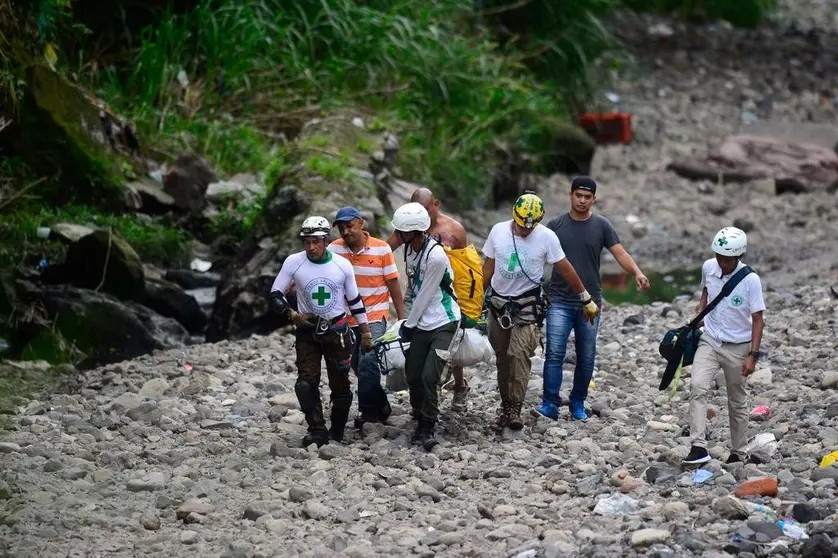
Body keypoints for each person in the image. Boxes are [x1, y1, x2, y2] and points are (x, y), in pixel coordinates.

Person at [534, 175, 651, 422]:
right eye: (579, 196)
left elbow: (619, 252)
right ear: (571, 195)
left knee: (586, 356)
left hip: (590, 302)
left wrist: (637, 272)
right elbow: (534, 251)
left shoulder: (601, 225)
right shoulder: (555, 226)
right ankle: (550, 403)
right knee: (554, 353)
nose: (582, 201)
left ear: (594, 199)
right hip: (559, 299)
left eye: (588, 197)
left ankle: (578, 403)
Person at [482, 193, 600, 430]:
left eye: (530, 228)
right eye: (521, 226)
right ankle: (505, 406)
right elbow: (487, 267)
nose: (525, 231)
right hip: (498, 304)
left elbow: (566, 269)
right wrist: (473, 302)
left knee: (519, 354)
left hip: (527, 306)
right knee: (503, 358)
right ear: (513, 216)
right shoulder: (498, 231)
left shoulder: (547, 237)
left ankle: (515, 407)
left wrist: (585, 298)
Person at [269, 216, 374, 448]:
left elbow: (355, 300)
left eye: (316, 241)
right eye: (306, 242)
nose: (311, 247)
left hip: (337, 331)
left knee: (341, 385)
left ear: (326, 241)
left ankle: (337, 431)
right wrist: (291, 314)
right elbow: (276, 293)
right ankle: (317, 430)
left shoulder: (342, 265)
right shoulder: (293, 262)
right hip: (307, 331)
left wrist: (365, 332)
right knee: (305, 383)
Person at [387, 188, 479, 412]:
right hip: (417, 294)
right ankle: (417, 405)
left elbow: (467, 270)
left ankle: (457, 388)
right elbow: (384, 250)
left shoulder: (452, 232)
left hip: (444, 301)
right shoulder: (408, 240)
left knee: (436, 365)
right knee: (414, 364)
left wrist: (470, 307)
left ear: (435, 205)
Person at [682, 226, 765, 465]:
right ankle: (698, 447)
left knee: (736, 400)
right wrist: (699, 312)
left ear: (738, 256)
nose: (721, 263)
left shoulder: (751, 281)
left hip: (738, 347)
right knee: (697, 386)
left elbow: (758, 319)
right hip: (710, 339)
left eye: (726, 259)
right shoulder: (709, 267)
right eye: (718, 257)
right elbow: (706, 291)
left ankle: (738, 452)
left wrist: (753, 354)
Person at [392, 202, 461, 450]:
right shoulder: (409, 250)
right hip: (420, 321)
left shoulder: (436, 257)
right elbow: (412, 288)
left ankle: (428, 425)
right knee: (412, 372)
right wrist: (407, 320)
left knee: (429, 375)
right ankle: (419, 411)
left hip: (443, 320)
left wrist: (408, 324)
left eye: (400, 232)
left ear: (413, 231)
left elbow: (427, 293)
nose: (397, 236)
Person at [328, 206, 405, 427]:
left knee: (369, 361)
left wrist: (401, 320)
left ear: (361, 224)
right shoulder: (334, 250)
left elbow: (394, 287)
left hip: (374, 314)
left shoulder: (381, 250)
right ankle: (381, 404)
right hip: (346, 318)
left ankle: (368, 412)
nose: (345, 232)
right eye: (341, 228)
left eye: (349, 226)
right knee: (356, 365)